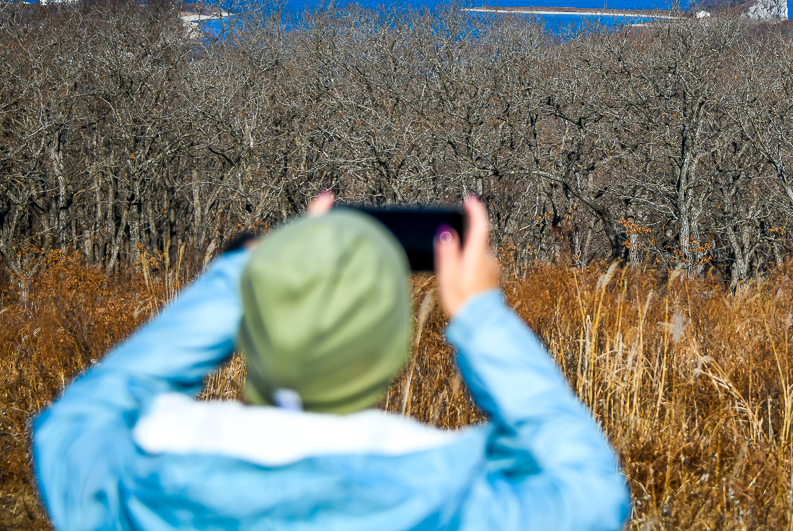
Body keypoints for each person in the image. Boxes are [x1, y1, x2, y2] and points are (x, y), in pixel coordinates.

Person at [32, 193, 630, 531]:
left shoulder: (126, 480)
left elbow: (80, 413)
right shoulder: (453, 498)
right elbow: (592, 493)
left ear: (250, 326)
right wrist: (479, 315)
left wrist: (250, 276)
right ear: (394, 349)